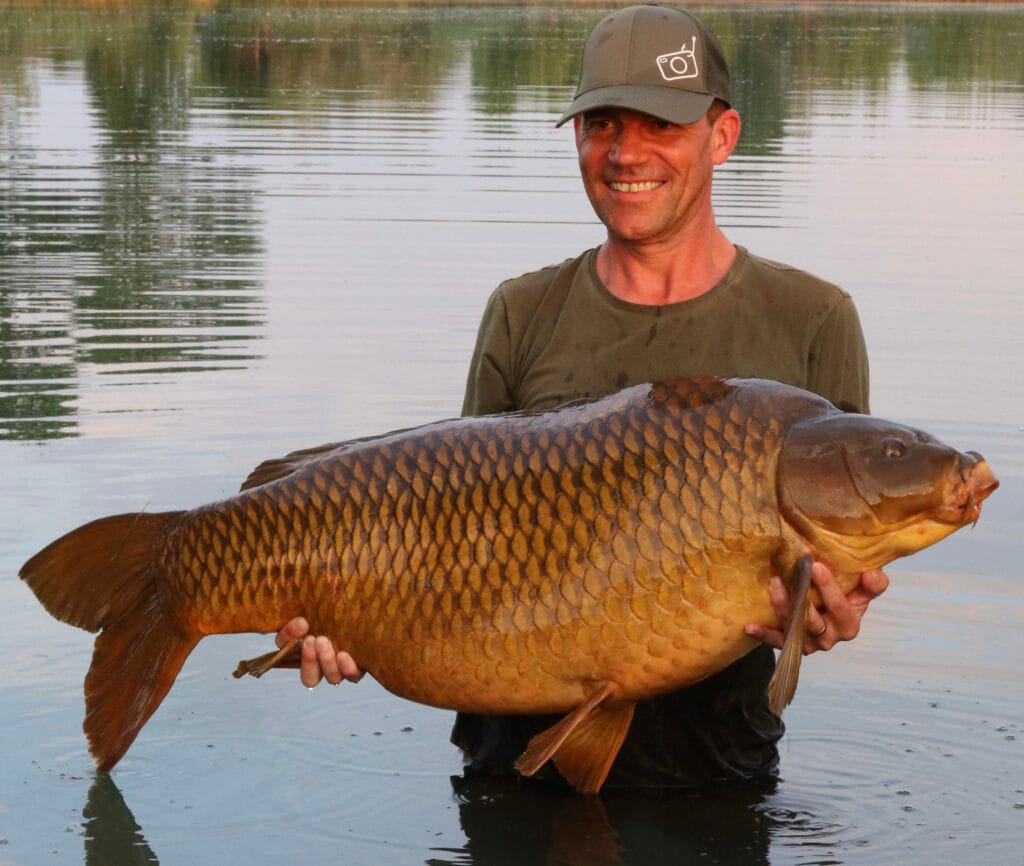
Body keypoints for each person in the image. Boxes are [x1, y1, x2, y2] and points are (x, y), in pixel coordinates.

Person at [276, 5, 888, 788]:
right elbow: (449, 537)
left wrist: (829, 615)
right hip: (511, 756)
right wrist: (353, 617)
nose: (626, 153)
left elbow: (836, 564)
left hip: (713, 765)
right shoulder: (522, 311)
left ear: (723, 135)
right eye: (601, 124)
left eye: (660, 124)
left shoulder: (814, 320)